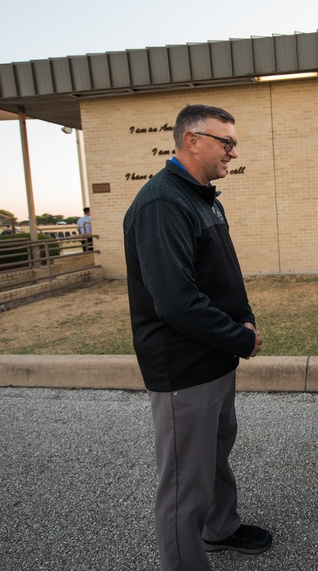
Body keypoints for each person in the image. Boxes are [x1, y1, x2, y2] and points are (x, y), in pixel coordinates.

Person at [123, 104, 271, 571]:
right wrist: (240, 338)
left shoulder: (204, 196)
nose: (233, 150)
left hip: (215, 357)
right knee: (185, 480)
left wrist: (242, 318)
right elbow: (176, 301)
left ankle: (220, 528)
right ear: (192, 140)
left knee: (213, 454)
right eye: (225, 142)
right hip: (184, 366)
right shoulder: (163, 203)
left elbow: (222, 273)